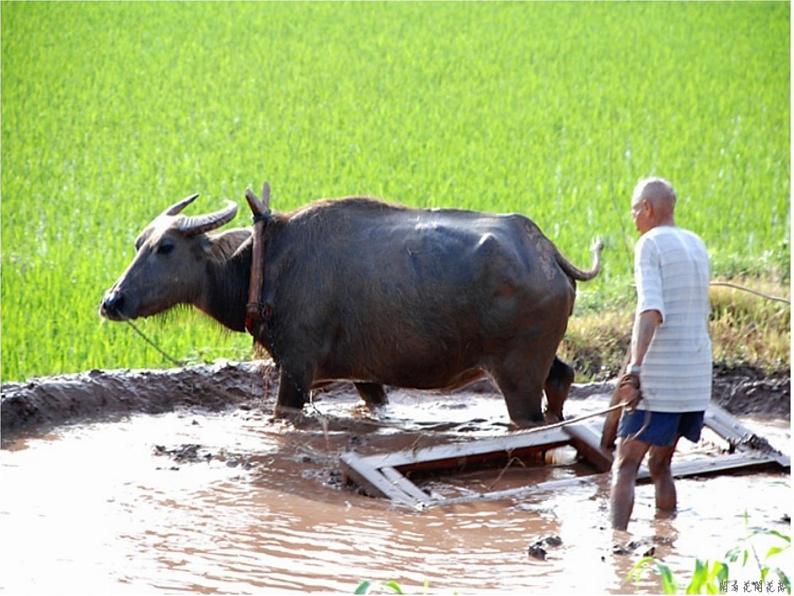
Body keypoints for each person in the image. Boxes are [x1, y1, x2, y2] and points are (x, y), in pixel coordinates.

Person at [610, 177, 712, 531]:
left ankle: (617, 550)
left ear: (648, 209)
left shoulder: (649, 245)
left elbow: (650, 310)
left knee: (625, 465)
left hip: (661, 383)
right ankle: (666, 541)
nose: (634, 217)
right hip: (695, 381)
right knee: (661, 466)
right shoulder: (696, 243)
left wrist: (635, 370)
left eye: (635, 209)